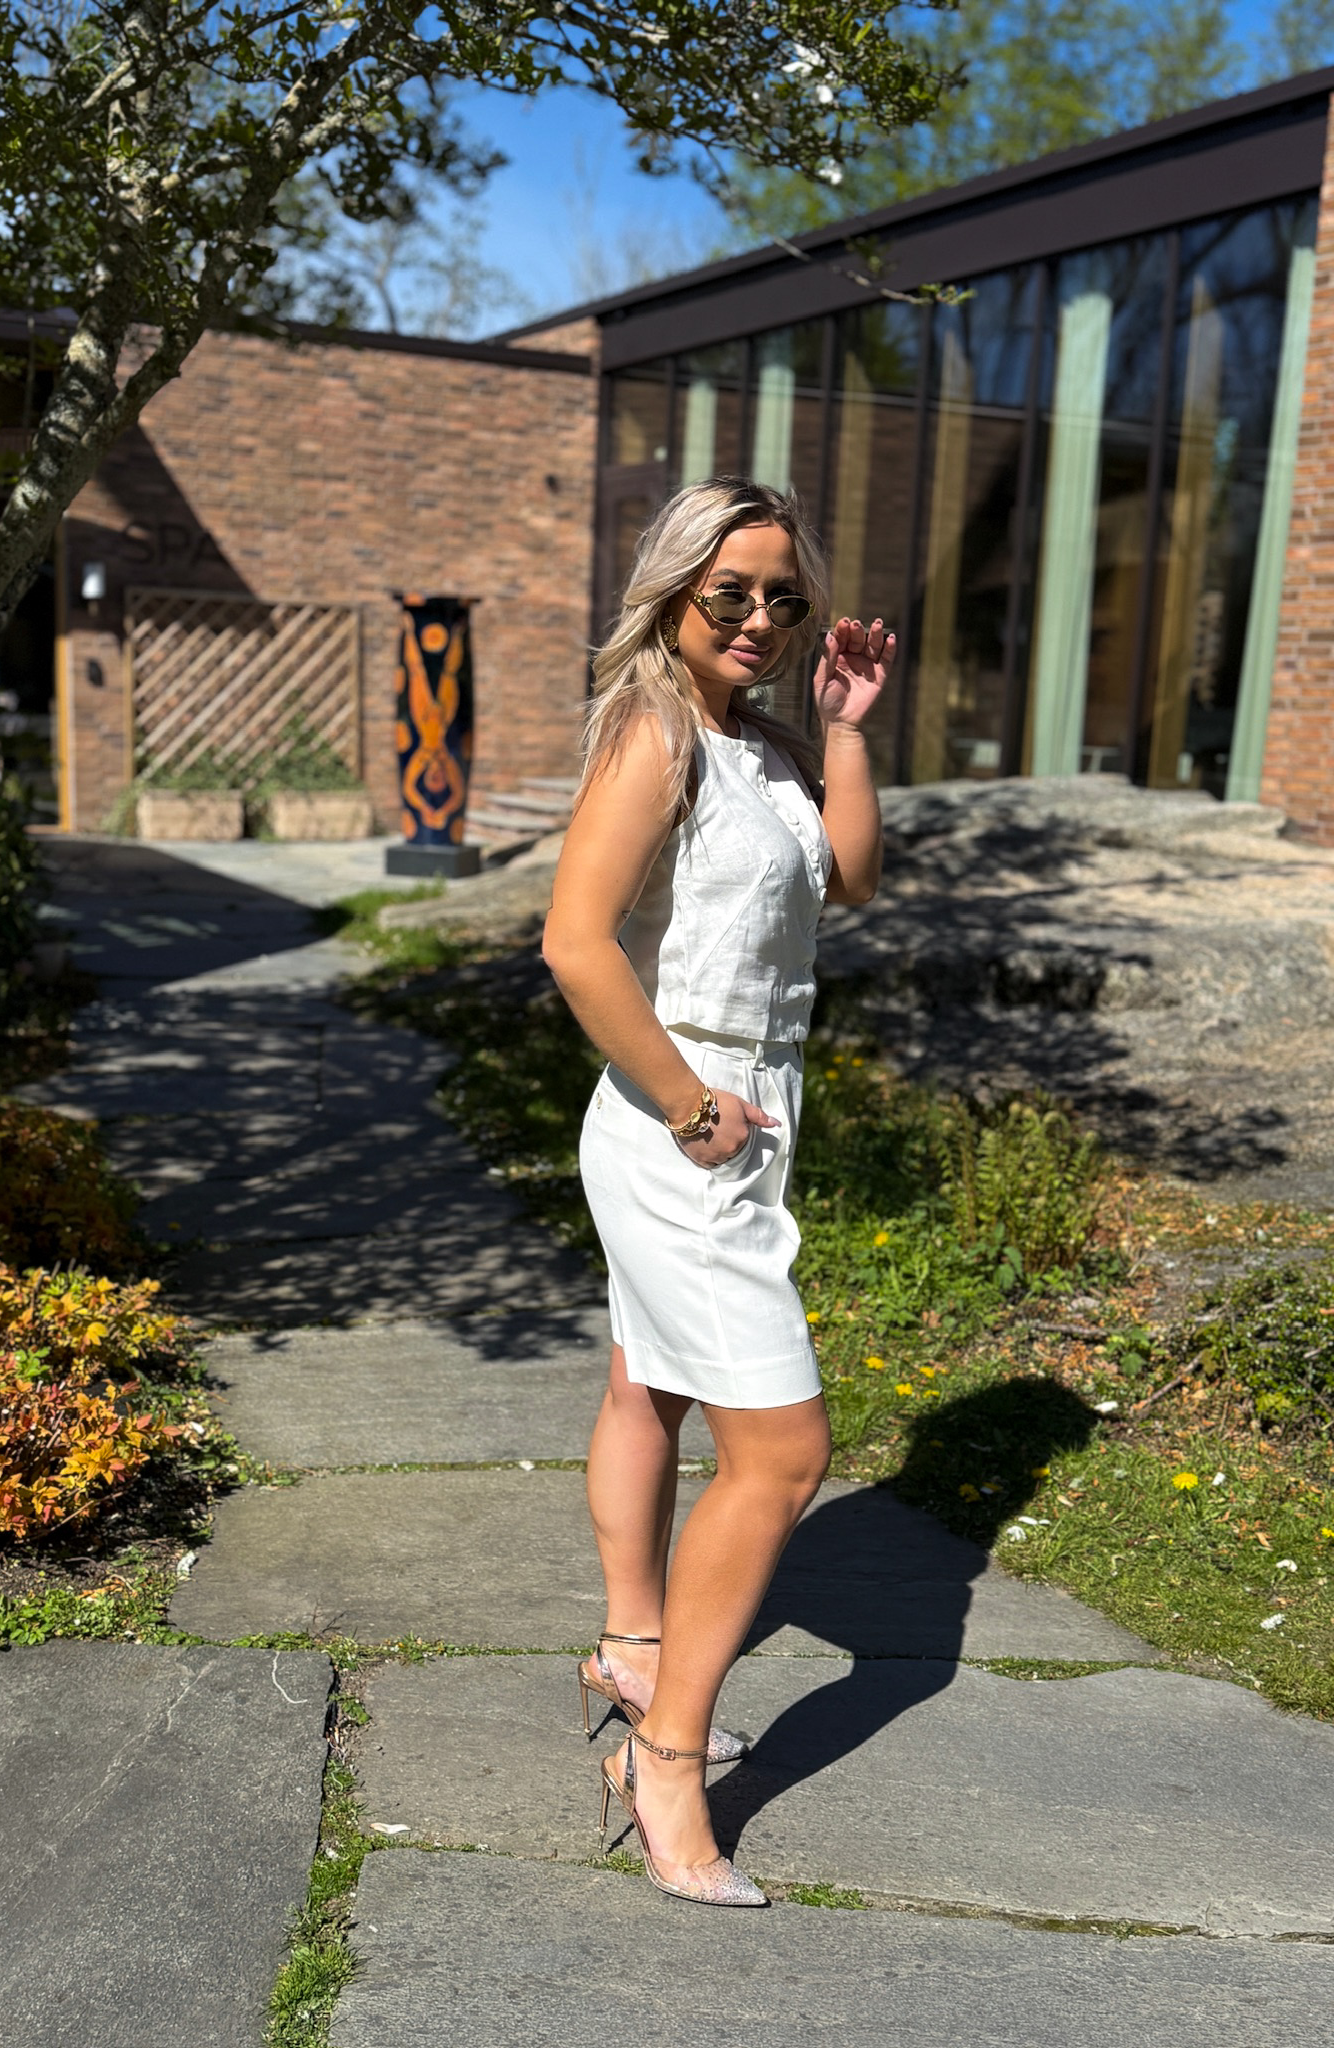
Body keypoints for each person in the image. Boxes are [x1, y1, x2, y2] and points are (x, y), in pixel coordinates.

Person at [541, 475, 893, 1907]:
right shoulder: (655, 732)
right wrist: (690, 1106)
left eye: (782, 597)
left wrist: (847, 729)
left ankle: (635, 1651)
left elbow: (850, 879)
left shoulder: (761, 745)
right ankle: (668, 1758)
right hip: (680, 1115)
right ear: (675, 590)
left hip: (743, 1112)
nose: (759, 617)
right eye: (730, 591)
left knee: (651, 1387)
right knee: (786, 1455)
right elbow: (575, 942)